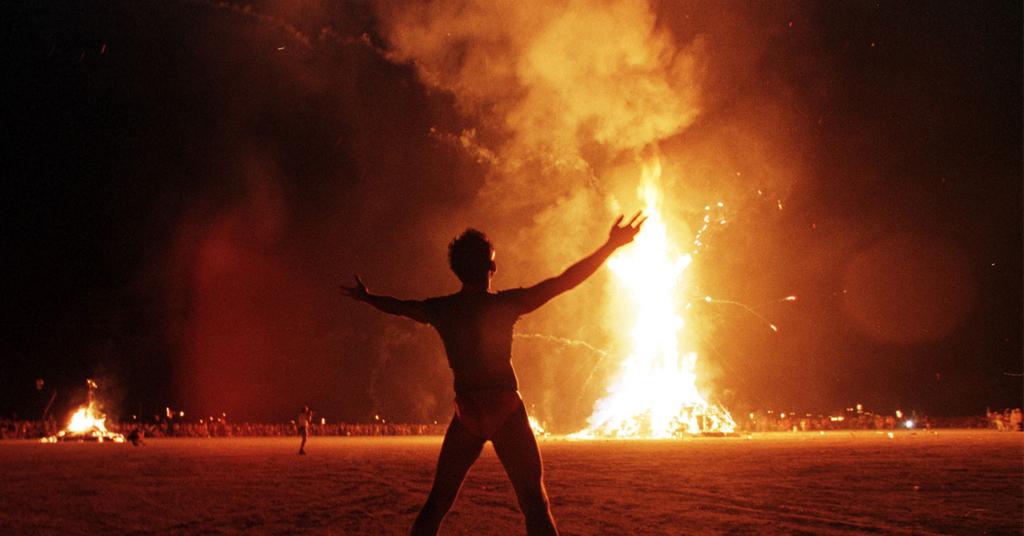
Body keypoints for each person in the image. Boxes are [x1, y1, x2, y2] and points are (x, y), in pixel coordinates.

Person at [341, 213, 645, 536]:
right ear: (492, 268)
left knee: (437, 503)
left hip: (468, 412)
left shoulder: (442, 309)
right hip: (505, 409)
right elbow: (564, 281)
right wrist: (611, 245)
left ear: (456, 270)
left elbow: (399, 306)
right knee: (534, 504)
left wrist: (368, 297)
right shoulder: (505, 305)